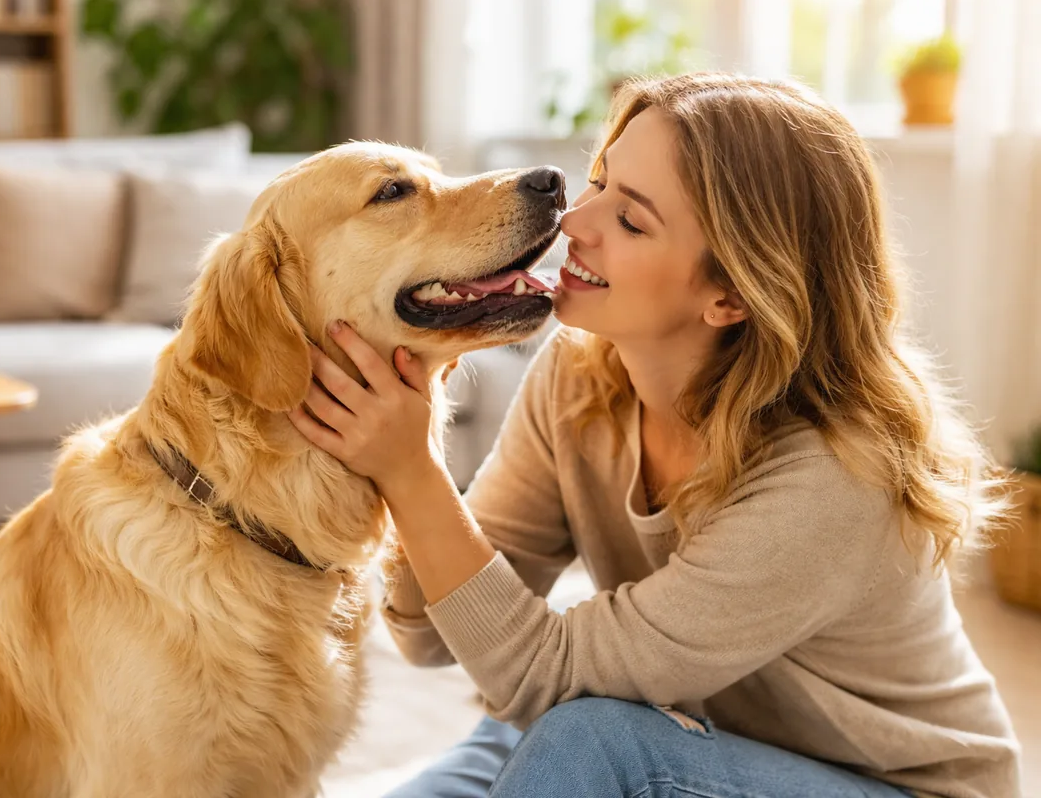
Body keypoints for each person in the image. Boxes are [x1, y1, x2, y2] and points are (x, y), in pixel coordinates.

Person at [287, 72, 1022, 798]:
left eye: (632, 220)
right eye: (599, 181)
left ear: (731, 293)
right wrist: (407, 428)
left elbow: (543, 673)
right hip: (692, 735)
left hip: (889, 787)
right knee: (515, 736)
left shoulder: (832, 479)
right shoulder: (578, 378)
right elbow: (434, 635)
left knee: (583, 735)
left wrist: (412, 470)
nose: (575, 222)